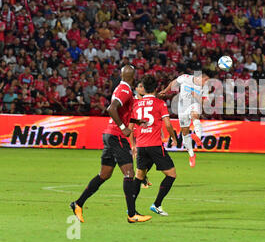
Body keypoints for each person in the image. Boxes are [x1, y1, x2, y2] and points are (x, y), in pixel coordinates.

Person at [70, 65, 152, 223]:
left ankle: (78, 204)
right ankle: (132, 214)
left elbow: (120, 112)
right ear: (133, 76)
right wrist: (124, 128)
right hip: (116, 136)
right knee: (129, 173)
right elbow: (111, 109)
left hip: (109, 134)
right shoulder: (125, 90)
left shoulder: (120, 88)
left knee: (104, 175)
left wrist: (136, 121)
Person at [131, 75, 178, 216]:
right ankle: (156, 204)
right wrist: (174, 138)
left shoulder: (136, 104)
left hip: (141, 145)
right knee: (171, 175)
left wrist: (133, 145)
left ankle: (131, 209)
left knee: (139, 177)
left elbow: (130, 126)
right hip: (155, 145)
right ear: (156, 88)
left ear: (143, 88)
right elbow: (168, 124)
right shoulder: (160, 103)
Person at [159, 73, 209, 168]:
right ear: (200, 78)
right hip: (182, 108)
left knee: (195, 115)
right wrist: (165, 91)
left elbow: (205, 102)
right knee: (185, 132)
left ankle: (198, 137)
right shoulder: (185, 78)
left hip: (194, 104)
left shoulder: (205, 88)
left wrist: (197, 96)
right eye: (205, 80)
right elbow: (173, 83)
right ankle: (191, 154)